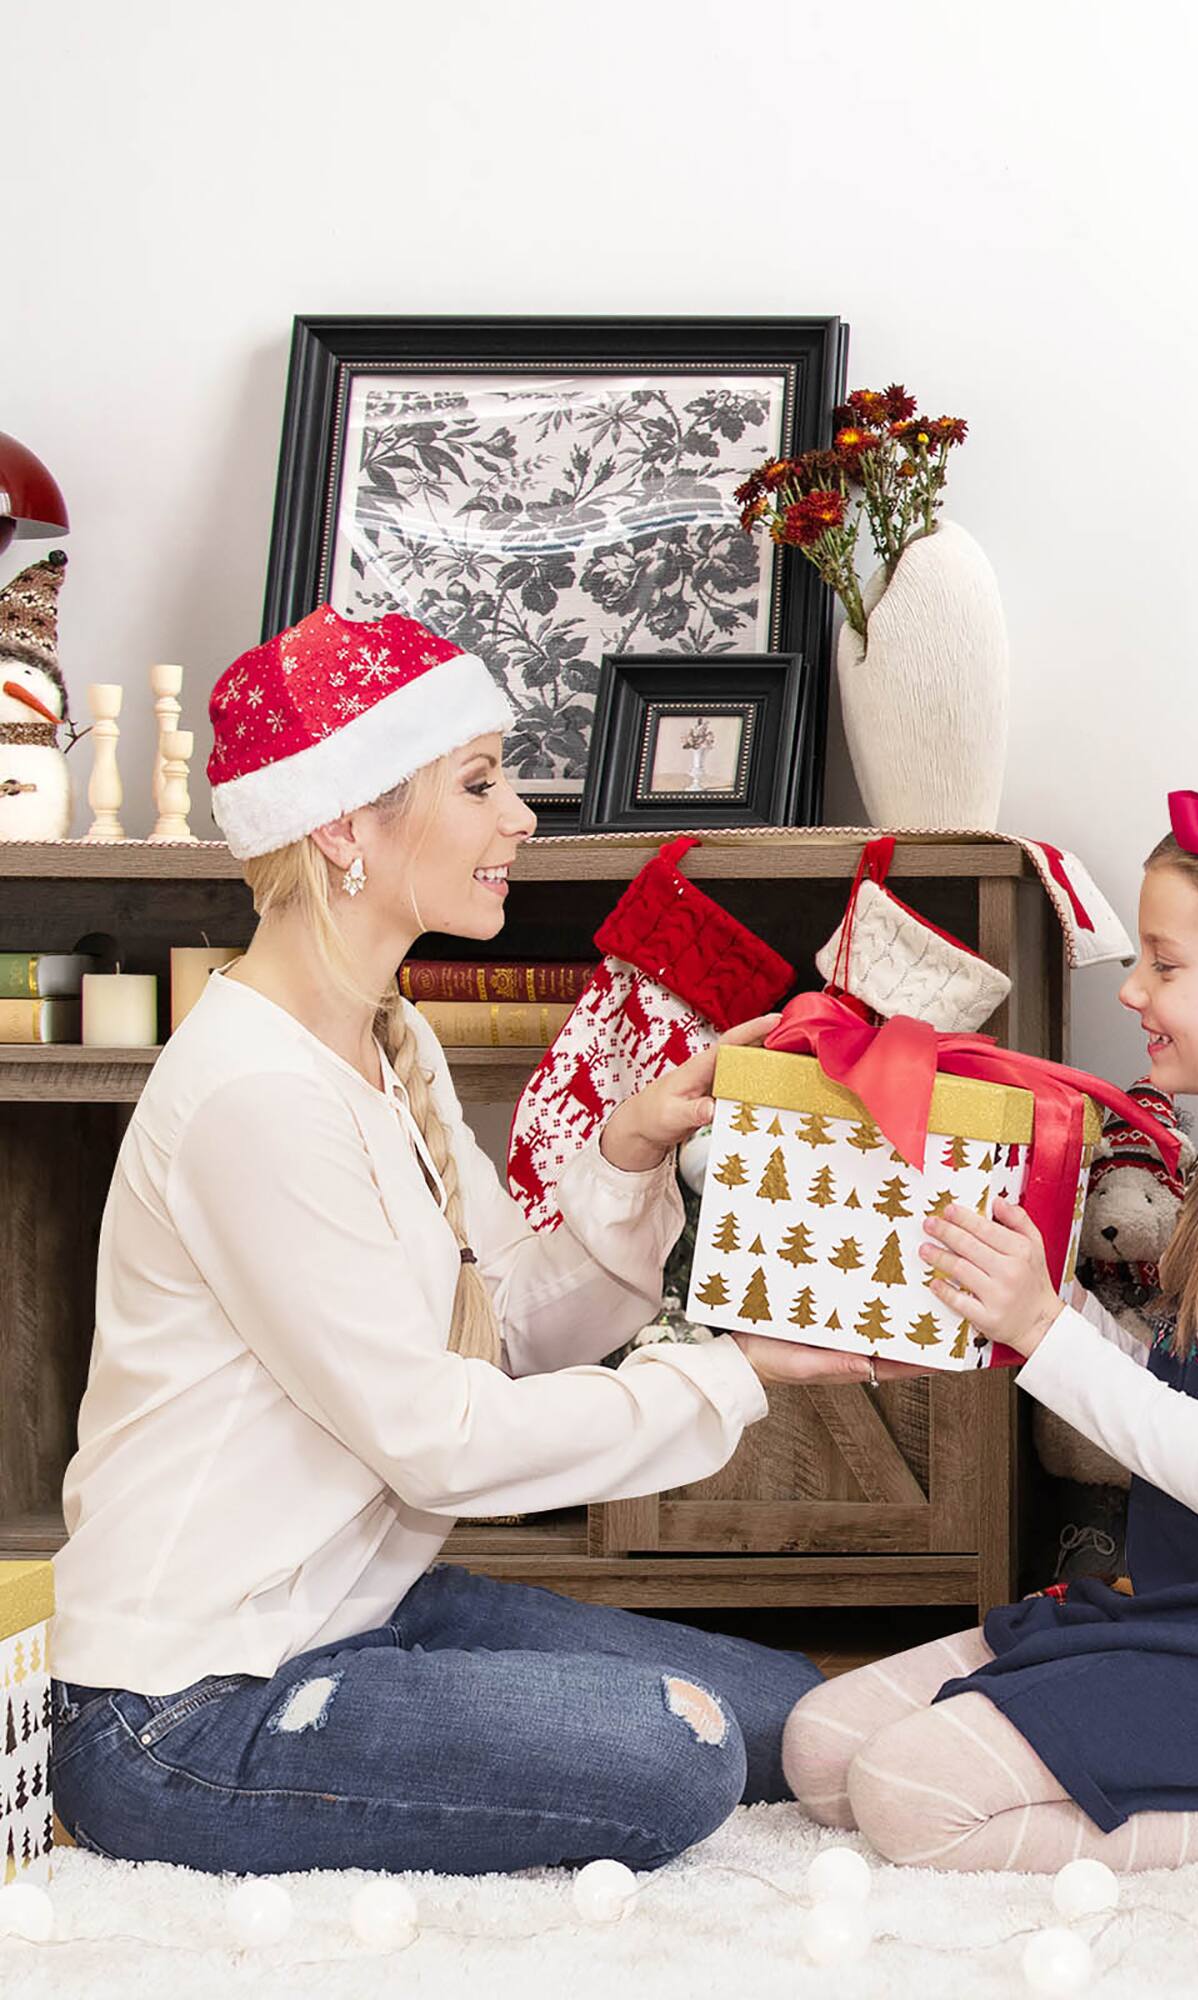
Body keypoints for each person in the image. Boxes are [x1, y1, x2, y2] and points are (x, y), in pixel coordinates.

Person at [49, 606, 904, 1877]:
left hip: (359, 1611)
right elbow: (440, 1441)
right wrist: (735, 1369)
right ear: (344, 824)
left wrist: (623, 1150)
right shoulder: (255, 1095)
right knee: (682, 1751)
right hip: (182, 1704)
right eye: (480, 782)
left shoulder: (391, 1039)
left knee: (811, 1712)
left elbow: (506, 1328)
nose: (521, 818)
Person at [783, 785, 1198, 1870]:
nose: (1134, 987)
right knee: (821, 1750)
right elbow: (1188, 1392)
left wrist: (1045, 1328)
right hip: (1194, 1612)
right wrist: (1052, 1312)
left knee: (906, 1794)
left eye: (1164, 963)